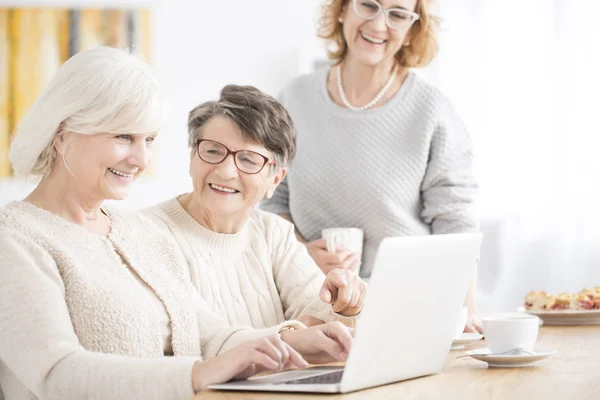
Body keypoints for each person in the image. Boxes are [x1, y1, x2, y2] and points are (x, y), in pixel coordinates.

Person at [0, 47, 353, 400]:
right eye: (124, 136)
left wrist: (291, 341)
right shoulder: (16, 238)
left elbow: (208, 335)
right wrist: (198, 374)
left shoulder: (139, 233)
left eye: (148, 139)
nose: (141, 159)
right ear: (64, 133)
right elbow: (57, 373)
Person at [261, 0, 482, 332]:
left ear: (411, 31)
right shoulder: (293, 99)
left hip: (406, 307)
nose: (379, 25)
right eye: (368, 5)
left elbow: (455, 221)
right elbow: (272, 200)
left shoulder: (432, 110)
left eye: (397, 14)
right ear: (342, 10)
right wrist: (302, 251)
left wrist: (468, 312)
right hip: (313, 303)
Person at [146, 85, 368, 329]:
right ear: (192, 158)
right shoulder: (147, 233)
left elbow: (317, 314)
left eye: (248, 160)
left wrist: (345, 304)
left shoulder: (274, 234)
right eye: (212, 151)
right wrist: (288, 338)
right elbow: (192, 339)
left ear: (275, 179)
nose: (226, 171)